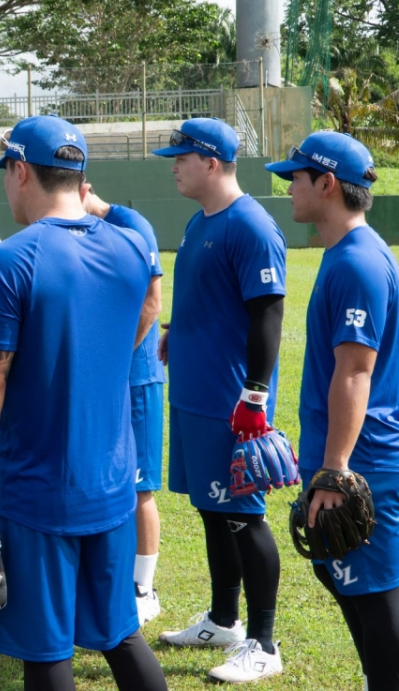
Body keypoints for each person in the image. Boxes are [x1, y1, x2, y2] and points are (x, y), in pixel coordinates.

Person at [0, 116, 166, 691]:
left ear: (22, 171)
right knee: (121, 634)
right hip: (113, 482)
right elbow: (151, 301)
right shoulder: (128, 245)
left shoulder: (11, 259)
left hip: (39, 490)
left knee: (46, 652)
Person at [151, 118, 289, 682]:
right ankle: (224, 619)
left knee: (242, 518)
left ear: (212, 162)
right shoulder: (200, 219)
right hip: (194, 394)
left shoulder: (251, 225)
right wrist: (175, 330)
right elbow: (213, 297)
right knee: (212, 511)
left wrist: (254, 396)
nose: (174, 164)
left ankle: (264, 642)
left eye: (182, 157)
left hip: (231, 402)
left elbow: (268, 312)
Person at [268, 132, 399, 690]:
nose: (288, 186)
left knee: (375, 595)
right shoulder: (345, 254)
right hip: (352, 456)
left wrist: (335, 471)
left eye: (295, 176)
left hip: (363, 460)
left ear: (326, 184)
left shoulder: (357, 263)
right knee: (343, 577)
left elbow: (356, 372)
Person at [79, 183, 165, 624]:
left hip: (136, 378)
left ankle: (144, 588)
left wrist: (117, 354)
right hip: (105, 379)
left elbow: (152, 302)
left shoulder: (131, 225)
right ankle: (111, 581)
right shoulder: (83, 230)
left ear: (85, 189)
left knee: (140, 486)